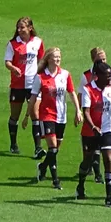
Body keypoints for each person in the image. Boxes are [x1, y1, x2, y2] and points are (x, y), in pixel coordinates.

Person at [76, 61, 111, 207]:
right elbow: (86, 111)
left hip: (108, 129)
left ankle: (109, 197)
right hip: (90, 132)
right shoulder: (87, 89)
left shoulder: (110, 88)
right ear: (98, 76)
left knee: (108, 160)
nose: (110, 78)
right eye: (107, 75)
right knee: (88, 161)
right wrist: (93, 127)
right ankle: (81, 185)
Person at [32, 46, 78, 189]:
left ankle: (43, 166)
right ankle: (55, 180)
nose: (58, 59)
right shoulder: (40, 77)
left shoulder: (65, 75)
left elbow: (71, 92)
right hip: (47, 115)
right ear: (49, 59)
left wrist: (78, 110)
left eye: (59, 56)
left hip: (62, 116)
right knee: (52, 148)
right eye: (55, 56)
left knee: (55, 149)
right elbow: (33, 98)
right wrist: (28, 115)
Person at [4, 16, 44, 158]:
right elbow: (7, 62)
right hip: (17, 85)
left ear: (30, 28)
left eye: (22, 27)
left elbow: (41, 61)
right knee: (15, 115)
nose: (20, 30)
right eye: (18, 28)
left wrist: (41, 78)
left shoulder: (38, 42)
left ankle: (38, 147)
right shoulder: (12, 44)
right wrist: (13, 68)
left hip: (33, 85)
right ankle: (13, 144)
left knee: (35, 114)